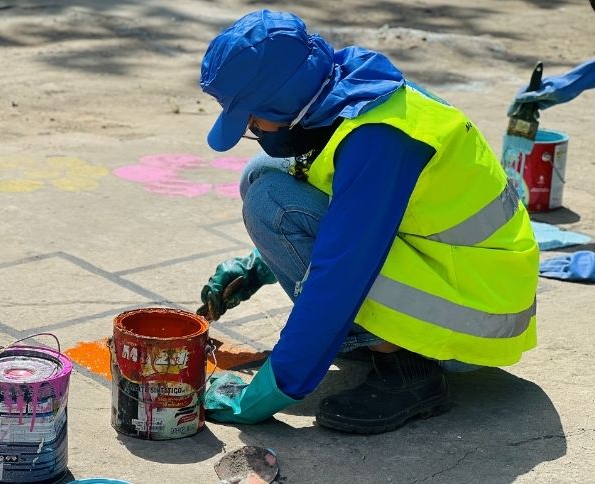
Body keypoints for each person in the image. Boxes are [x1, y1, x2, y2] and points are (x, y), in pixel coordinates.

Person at [197, 10, 538, 434]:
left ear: (284, 98)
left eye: (252, 117)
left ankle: (405, 367)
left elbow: (339, 275)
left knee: (271, 199)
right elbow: (351, 212)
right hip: (459, 275)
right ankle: (379, 338)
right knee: (264, 172)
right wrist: (257, 265)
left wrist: (265, 395)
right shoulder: (347, 88)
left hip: (477, 316)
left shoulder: (380, 140)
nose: (251, 126)